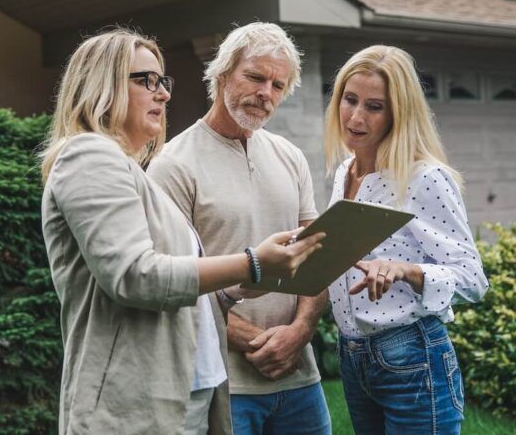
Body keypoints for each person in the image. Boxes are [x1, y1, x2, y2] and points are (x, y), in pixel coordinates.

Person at [39, 28, 324, 435]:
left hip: (191, 396)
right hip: (137, 404)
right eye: (146, 80)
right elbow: (135, 277)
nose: (163, 94)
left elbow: (180, 281)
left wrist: (233, 290)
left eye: (163, 82)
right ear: (102, 85)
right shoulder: (89, 156)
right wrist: (251, 265)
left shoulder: (123, 167)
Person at [147, 22, 332, 435]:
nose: (266, 93)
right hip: (226, 382)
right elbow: (174, 280)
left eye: (278, 85)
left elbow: (316, 254)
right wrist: (258, 343)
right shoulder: (173, 165)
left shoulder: (291, 156)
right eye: (255, 76)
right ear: (222, 73)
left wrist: (300, 332)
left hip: (300, 376)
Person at [323, 45, 489, 435]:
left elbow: (473, 279)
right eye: (350, 100)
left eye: (375, 107)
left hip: (412, 356)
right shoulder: (345, 171)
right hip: (352, 356)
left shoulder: (423, 177)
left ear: (398, 113)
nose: (356, 117)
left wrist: (406, 270)